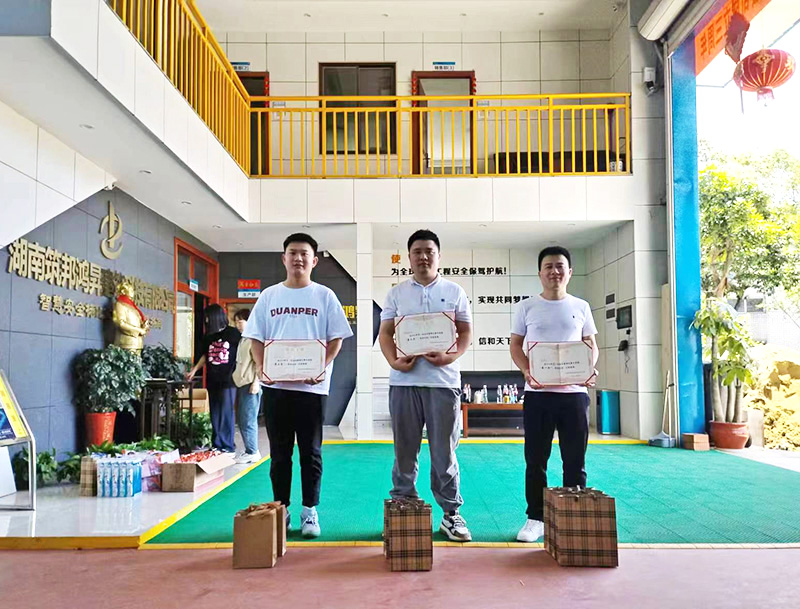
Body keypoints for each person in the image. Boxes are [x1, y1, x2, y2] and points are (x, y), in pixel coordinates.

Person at [243, 233, 352, 538]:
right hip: (276, 388)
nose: (298, 258)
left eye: (304, 253)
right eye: (293, 253)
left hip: (312, 389)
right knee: (279, 454)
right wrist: (262, 367)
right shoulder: (269, 296)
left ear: (314, 260)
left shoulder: (324, 296)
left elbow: (336, 339)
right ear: (284, 258)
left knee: (311, 453)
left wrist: (321, 366)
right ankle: (282, 508)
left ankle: (309, 511)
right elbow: (256, 337)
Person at [378, 229, 474, 542]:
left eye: (429, 251)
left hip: (443, 383)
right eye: (417, 251)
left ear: (439, 256)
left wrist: (450, 357)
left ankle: (451, 513)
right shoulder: (396, 294)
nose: (423, 257)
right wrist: (394, 361)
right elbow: (386, 333)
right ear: (409, 257)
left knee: (444, 453)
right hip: (404, 382)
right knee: (404, 451)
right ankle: (403, 507)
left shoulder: (455, 291)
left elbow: (465, 332)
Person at [509, 246, 599, 543]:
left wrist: (588, 368)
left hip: (574, 394)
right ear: (540, 273)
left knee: (575, 460)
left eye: (560, 266)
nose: (554, 271)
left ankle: (574, 515)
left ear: (569, 272)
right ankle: (536, 518)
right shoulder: (526, 307)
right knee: (536, 460)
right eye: (548, 266)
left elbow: (590, 344)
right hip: (538, 394)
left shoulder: (581, 306)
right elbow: (515, 345)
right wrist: (527, 371)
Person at [187, 304, 241, 454]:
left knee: (226, 412)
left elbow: (242, 354)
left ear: (215, 317)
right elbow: (205, 356)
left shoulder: (233, 333)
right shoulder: (209, 336)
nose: (206, 320)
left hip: (228, 380)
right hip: (212, 379)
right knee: (215, 412)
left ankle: (228, 445)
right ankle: (217, 443)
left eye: (207, 317)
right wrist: (194, 370)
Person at [232, 308, 262, 464]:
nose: (238, 325)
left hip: (251, 384)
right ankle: (250, 449)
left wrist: (256, 382)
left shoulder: (253, 339)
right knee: (243, 418)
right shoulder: (243, 339)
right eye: (236, 322)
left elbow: (259, 363)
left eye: (240, 321)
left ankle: (252, 451)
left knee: (248, 418)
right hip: (242, 383)